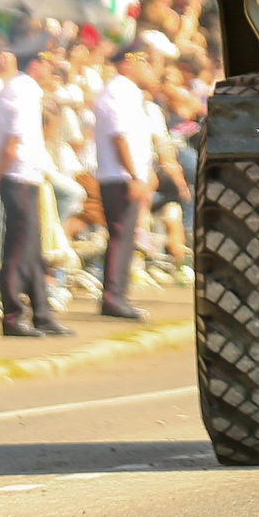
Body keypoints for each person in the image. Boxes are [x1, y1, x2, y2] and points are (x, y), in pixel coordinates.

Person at [0, 37, 70, 338]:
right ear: (36, 64)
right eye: (48, 64)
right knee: (19, 249)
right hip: (17, 176)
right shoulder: (21, 92)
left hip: (26, 176)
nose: (51, 70)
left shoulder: (25, 91)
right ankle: (12, 316)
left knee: (32, 250)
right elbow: (11, 145)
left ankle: (42, 314)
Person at [91, 43, 158, 319]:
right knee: (120, 235)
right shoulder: (118, 91)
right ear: (128, 63)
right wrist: (133, 174)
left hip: (127, 175)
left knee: (125, 236)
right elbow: (118, 137)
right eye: (143, 61)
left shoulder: (129, 92)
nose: (147, 67)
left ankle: (118, 295)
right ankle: (113, 297)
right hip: (120, 176)